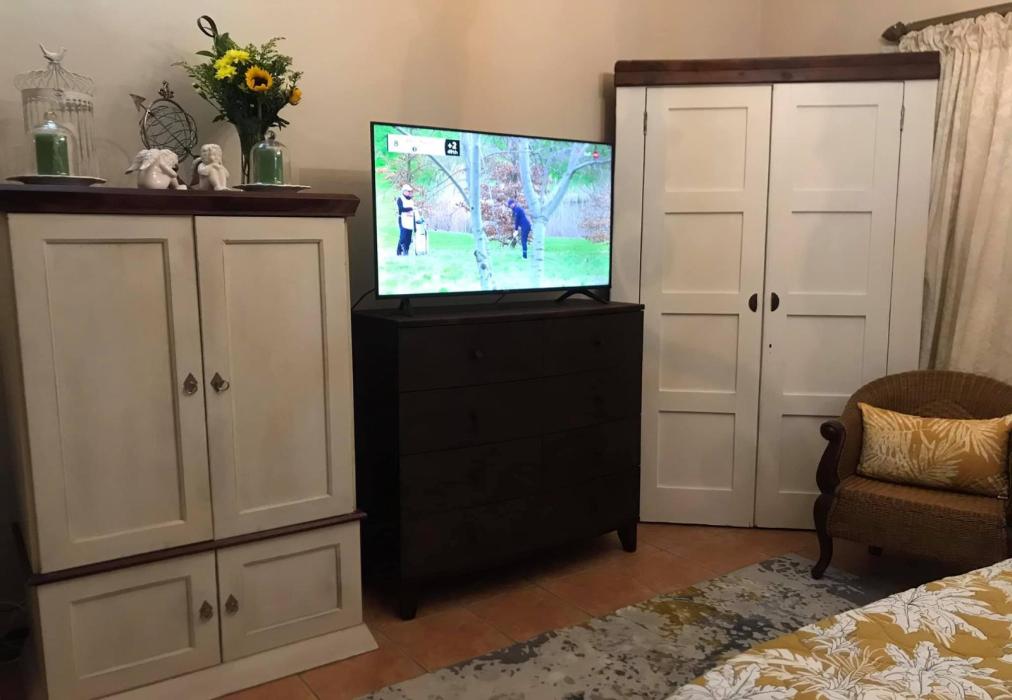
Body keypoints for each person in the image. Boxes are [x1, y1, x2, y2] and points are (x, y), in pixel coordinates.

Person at [396, 184, 416, 255]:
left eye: (410, 191)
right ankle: (399, 251)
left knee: (409, 238)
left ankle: (406, 250)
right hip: (402, 219)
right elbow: (400, 209)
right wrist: (410, 209)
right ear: (404, 191)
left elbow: (414, 210)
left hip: (410, 220)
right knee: (403, 237)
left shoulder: (411, 200)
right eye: (408, 191)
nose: (410, 193)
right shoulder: (400, 199)